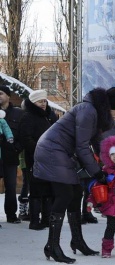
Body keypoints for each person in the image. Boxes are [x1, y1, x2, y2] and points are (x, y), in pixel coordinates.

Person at [33, 87, 115, 263]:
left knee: (76, 193)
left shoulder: (94, 111)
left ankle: (77, 240)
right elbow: (82, 146)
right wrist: (97, 173)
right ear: (109, 106)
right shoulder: (87, 110)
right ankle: (52, 245)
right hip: (52, 149)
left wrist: (109, 164)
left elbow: (96, 141)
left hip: (60, 151)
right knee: (65, 194)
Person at [19, 90, 58, 230]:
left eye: (45, 101)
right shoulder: (28, 117)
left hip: (50, 158)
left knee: (48, 189)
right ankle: (34, 221)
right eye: (40, 101)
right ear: (33, 103)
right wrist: (40, 149)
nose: (43, 104)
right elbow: (25, 138)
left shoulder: (49, 116)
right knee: (36, 189)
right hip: (35, 159)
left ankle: (46, 219)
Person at [0, 85, 24, 224]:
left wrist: (16, 148)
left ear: (8, 96)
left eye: (1, 93)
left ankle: (11, 214)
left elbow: (23, 134)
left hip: (10, 155)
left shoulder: (18, 113)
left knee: (10, 186)